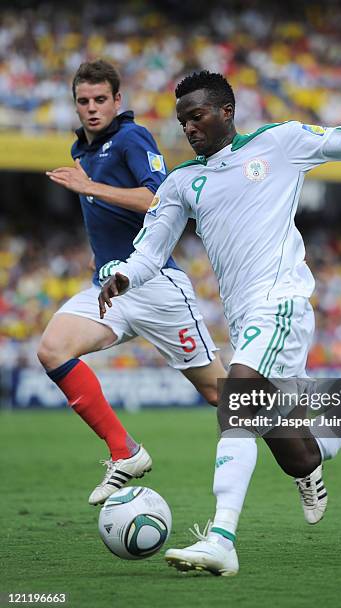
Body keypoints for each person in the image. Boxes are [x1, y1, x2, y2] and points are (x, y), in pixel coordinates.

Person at [98, 71, 341, 576]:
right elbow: (149, 253)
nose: (189, 128)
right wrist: (122, 278)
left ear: (226, 111)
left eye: (197, 116)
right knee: (301, 450)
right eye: (182, 121)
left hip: (281, 302)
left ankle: (221, 538)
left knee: (236, 399)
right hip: (244, 321)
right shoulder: (181, 183)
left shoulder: (279, 143)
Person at [37, 61, 226, 506]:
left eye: (100, 99)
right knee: (52, 348)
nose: (92, 108)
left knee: (220, 393)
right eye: (83, 101)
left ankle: (317, 426)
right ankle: (126, 452)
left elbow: (160, 200)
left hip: (156, 285)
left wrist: (91, 188)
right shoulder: (83, 151)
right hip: (111, 289)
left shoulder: (131, 138)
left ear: (117, 101)